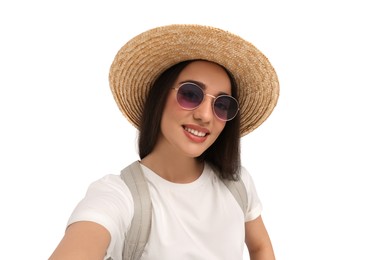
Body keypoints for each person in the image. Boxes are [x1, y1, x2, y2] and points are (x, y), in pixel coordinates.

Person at [49, 24, 279, 260]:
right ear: (158, 96)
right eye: (190, 94)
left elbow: (260, 247)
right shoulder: (120, 196)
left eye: (221, 105)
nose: (205, 116)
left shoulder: (237, 183)